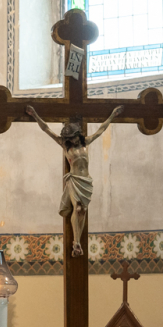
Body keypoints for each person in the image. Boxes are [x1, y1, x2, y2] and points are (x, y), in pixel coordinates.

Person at [26, 105, 123, 256]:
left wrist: (112, 115)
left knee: (82, 211)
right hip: (74, 180)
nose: (71, 140)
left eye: (73, 137)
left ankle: (78, 242)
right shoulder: (65, 146)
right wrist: (34, 115)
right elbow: (46, 129)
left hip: (86, 181)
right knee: (77, 208)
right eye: (69, 138)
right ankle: (76, 243)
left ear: (78, 135)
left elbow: (101, 129)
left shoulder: (86, 142)